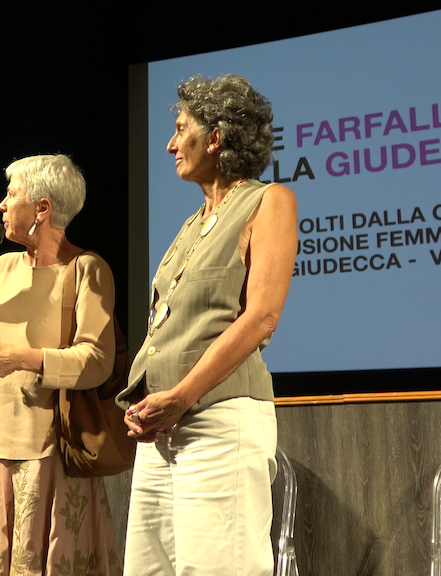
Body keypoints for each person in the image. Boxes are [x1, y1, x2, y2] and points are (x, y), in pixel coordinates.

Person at [117, 74, 298, 576]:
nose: (171, 143)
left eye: (181, 129)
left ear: (214, 137)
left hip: (218, 423)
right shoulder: (193, 222)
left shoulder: (269, 201)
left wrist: (180, 397)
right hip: (163, 430)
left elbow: (261, 317)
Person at [0, 154, 122, 576]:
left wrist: (23, 359)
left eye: (11, 195)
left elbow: (96, 360)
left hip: (52, 454)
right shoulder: (1, 266)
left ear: (41, 209)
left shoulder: (87, 270)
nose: (2, 206)